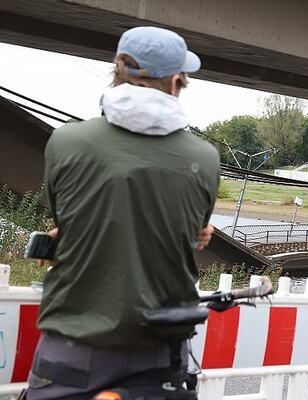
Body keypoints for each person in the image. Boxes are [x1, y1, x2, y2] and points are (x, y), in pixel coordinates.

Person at [26, 26, 220, 399]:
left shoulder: (68, 141)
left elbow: (66, 220)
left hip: (74, 348)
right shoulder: (203, 159)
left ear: (118, 69)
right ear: (177, 80)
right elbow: (189, 231)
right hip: (160, 354)